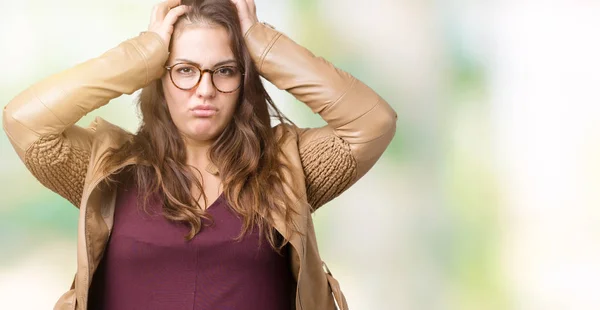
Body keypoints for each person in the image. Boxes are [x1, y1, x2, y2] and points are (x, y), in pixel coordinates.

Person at [3, 0, 397, 309]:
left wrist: (264, 43)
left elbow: (372, 123)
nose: (204, 89)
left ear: (245, 79)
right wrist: (142, 53)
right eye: (185, 70)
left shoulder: (286, 169)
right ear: (159, 77)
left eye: (224, 70)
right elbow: (26, 122)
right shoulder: (108, 168)